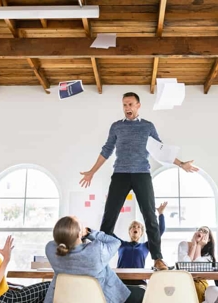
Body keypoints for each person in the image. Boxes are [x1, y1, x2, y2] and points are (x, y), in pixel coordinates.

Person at [79, 92, 198, 270]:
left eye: (130, 104)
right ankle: (99, 255)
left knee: (150, 216)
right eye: (124, 105)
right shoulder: (116, 127)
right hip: (120, 174)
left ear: (138, 105)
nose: (127, 108)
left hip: (142, 174)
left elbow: (161, 151)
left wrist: (181, 164)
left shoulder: (148, 127)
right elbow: (107, 150)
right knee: (109, 216)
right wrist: (91, 172)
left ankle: (157, 258)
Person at [44, 216, 144, 303]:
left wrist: (68, 233)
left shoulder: (51, 251)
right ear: (79, 234)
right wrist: (88, 233)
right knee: (142, 292)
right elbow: (115, 242)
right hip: (102, 298)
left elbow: (58, 240)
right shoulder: (96, 251)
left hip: (70, 298)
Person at [116, 202, 167, 286]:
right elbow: (108, 233)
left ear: (141, 233)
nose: (135, 227)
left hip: (139, 281)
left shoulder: (145, 246)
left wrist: (161, 214)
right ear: (129, 232)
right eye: (133, 226)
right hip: (121, 281)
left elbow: (159, 231)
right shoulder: (121, 244)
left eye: (138, 227)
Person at [178, 226, 216, 303]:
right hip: (183, 281)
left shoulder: (209, 256)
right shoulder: (183, 244)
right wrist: (194, 245)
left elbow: (197, 267)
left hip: (200, 282)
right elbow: (185, 266)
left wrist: (198, 246)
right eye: (200, 230)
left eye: (205, 231)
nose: (201, 232)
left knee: (198, 288)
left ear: (208, 239)